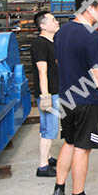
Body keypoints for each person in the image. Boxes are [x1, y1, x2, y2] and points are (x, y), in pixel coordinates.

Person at [51, 0, 98, 195]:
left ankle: (59, 187)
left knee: (69, 142)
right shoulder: (89, 35)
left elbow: (60, 63)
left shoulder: (61, 32)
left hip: (66, 98)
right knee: (82, 148)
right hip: (87, 101)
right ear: (90, 8)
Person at [31, 11, 60, 177]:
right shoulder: (40, 44)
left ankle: (47, 157)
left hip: (54, 90)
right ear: (42, 25)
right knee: (50, 129)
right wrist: (46, 96)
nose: (57, 22)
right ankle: (43, 166)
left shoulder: (52, 42)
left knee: (46, 127)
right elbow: (42, 71)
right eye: (53, 20)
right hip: (49, 93)